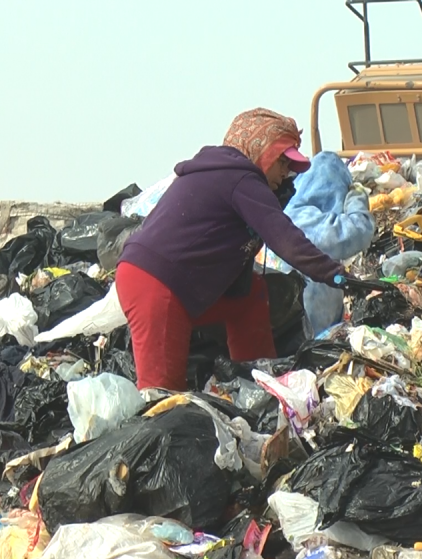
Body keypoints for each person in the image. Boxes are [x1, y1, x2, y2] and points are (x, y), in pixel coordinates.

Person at [116, 108, 346, 391]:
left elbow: (239, 265)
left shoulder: (228, 176)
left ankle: (256, 381)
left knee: (250, 294)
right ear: (262, 151)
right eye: (283, 163)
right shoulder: (241, 179)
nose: (287, 174)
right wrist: (337, 276)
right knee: (163, 395)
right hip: (157, 284)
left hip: (168, 281)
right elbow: (286, 240)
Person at [258, 151, 376, 335]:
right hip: (303, 329)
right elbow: (358, 231)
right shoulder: (304, 219)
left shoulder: (286, 211)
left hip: (288, 326)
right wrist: (356, 196)